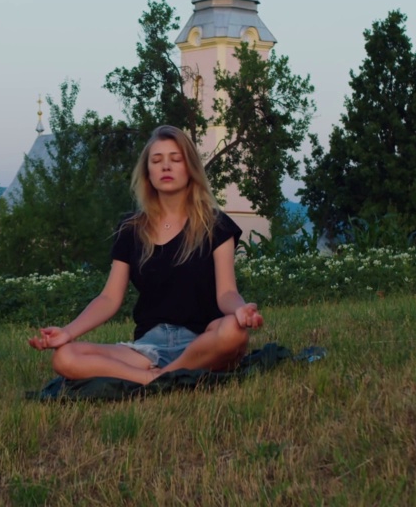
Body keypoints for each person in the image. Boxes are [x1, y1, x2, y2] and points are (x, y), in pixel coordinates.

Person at [27, 124, 264, 384]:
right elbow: (108, 298)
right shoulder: (131, 229)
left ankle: (158, 377)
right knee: (65, 357)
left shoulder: (215, 225)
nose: (166, 166)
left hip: (203, 341)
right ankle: (156, 378)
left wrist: (240, 310)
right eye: (157, 160)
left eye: (176, 159)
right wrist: (67, 333)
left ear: (191, 169)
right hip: (148, 348)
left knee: (233, 331)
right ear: (147, 171)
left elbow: (227, 294)